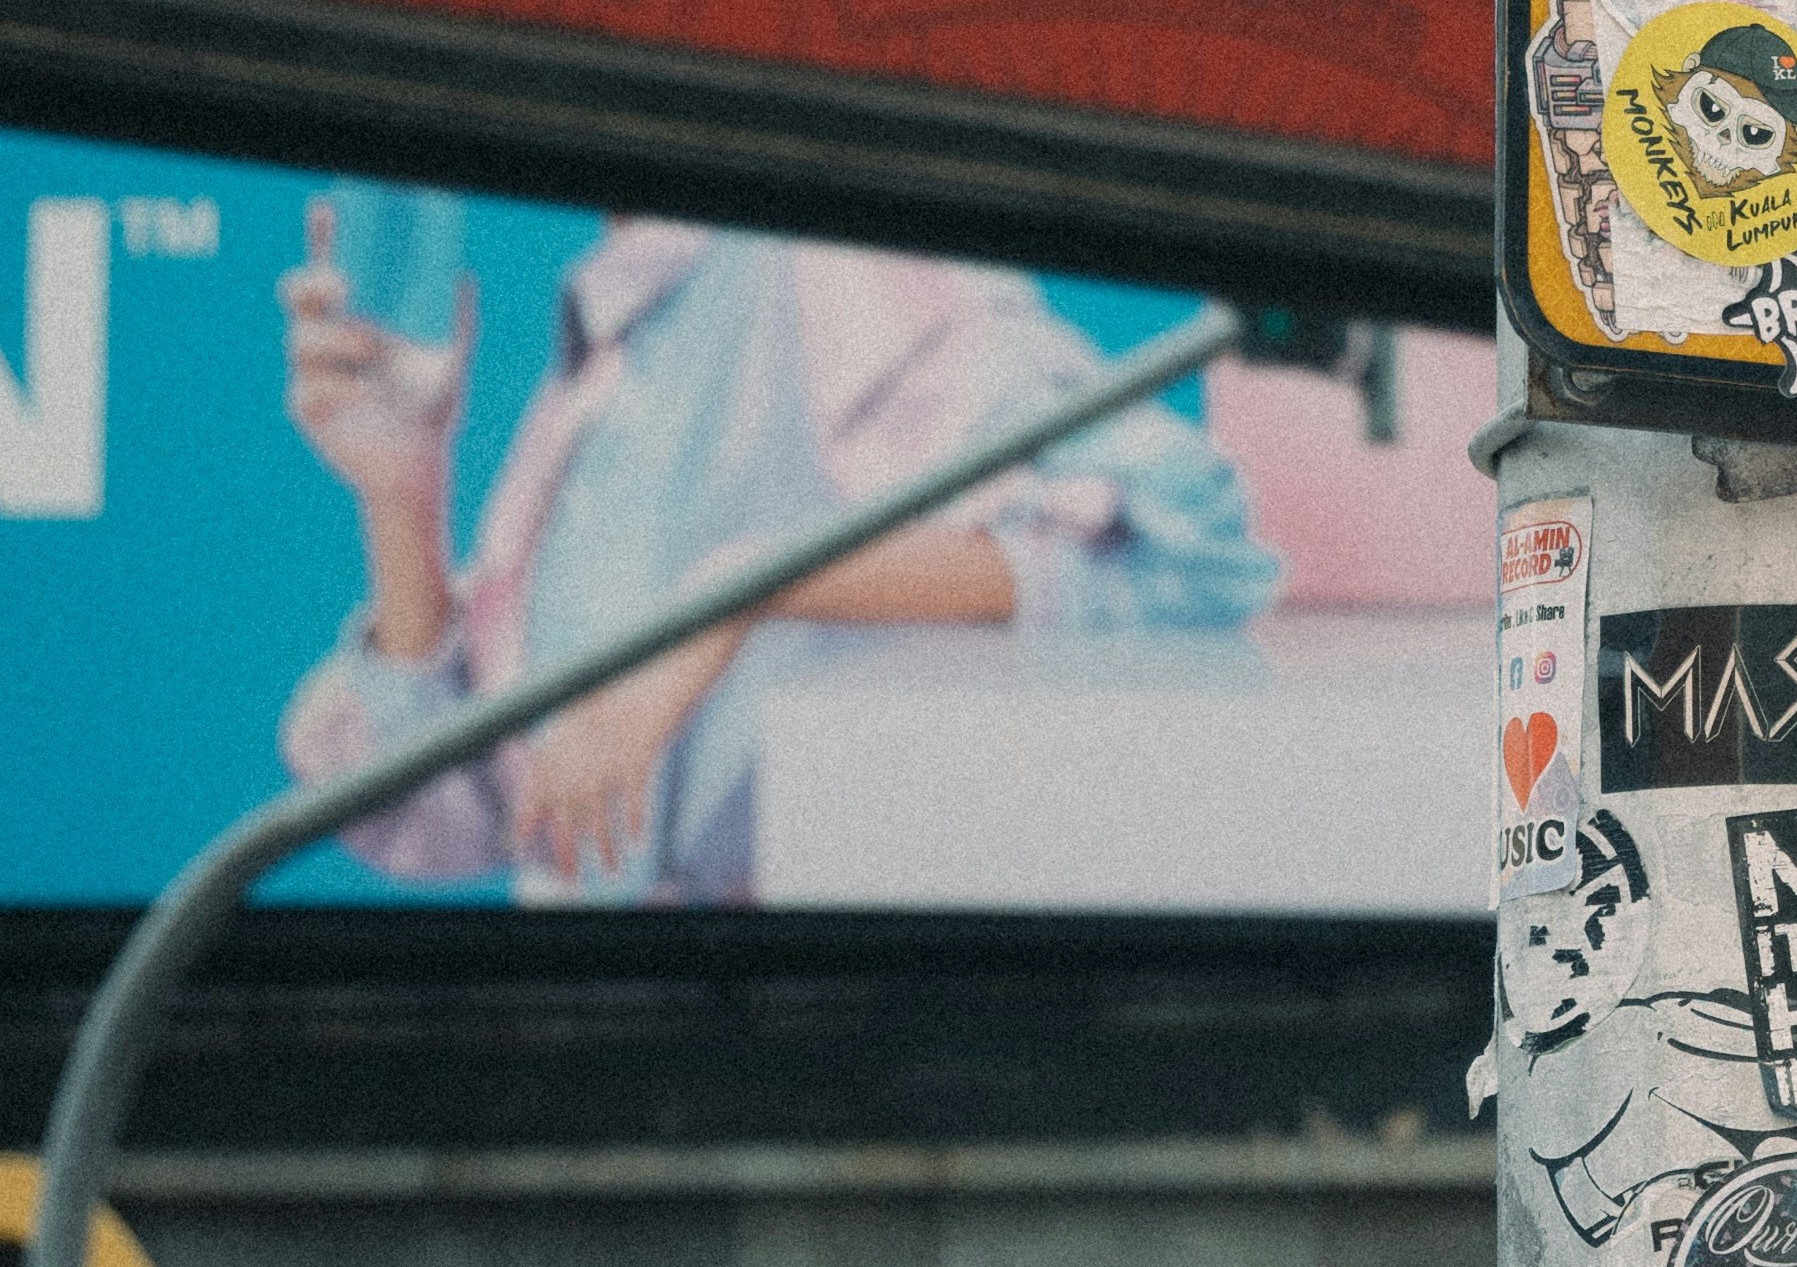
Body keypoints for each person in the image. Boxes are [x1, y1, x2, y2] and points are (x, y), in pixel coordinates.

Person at [277, 205, 1276, 902]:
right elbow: (515, 812)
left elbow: (1184, 557)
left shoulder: (834, 264)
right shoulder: (616, 322)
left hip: (842, 1053)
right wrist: (401, 497)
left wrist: (741, 592)